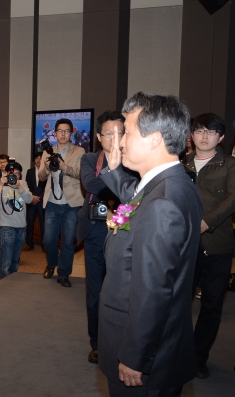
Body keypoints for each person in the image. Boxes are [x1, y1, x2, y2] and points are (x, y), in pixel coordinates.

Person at [99, 92, 202, 396]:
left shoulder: (163, 202)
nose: (120, 142)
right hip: (162, 344)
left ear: (155, 139)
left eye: (127, 133)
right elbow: (136, 199)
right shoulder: (172, 184)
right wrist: (115, 168)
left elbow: (154, 289)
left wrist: (135, 357)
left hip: (145, 359)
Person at [183, 113, 235, 379]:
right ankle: (177, 353)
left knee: (212, 306)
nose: (204, 136)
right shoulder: (182, 163)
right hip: (185, 246)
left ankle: (197, 357)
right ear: (192, 135)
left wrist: (206, 222)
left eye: (211, 132)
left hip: (217, 245)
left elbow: (232, 200)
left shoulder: (229, 165)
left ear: (221, 137)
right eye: (200, 131)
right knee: (179, 302)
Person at [75, 110, 127, 365]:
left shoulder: (134, 159)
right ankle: (96, 342)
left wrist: (113, 183)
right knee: (95, 290)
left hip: (126, 231)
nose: (114, 138)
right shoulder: (90, 158)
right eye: (109, 133)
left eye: (120, 132)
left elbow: (137, 189)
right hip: (96, 230)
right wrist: (118, 182)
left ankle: (122, 339)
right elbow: (91, 184)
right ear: (99, 136)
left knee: (122, 289)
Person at [39, 118, 85, 288]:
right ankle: (52, 264)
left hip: (71, 204)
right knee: (48, 240)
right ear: (55, 133)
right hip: (51, 202)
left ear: (71, 133)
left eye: (66, 131)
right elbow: (41, 177)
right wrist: (45, 168)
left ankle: (64, 273)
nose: (63, 134)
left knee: (67, 241)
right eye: (60, 131)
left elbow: (82, 174)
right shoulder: (47, 151)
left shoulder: (79, 151)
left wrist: (65, 167)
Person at [0, 162, 33, 279]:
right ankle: (3, 286)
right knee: (5, 262)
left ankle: (11, 284)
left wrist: (19, 187)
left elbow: (29, 200)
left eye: (17, 174)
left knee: (15, 260)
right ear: (5, 174)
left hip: (21, 227)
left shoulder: (23, 184)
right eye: (12, 174)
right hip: (6, 227)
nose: (14, 176)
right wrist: (1, 185)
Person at [23, 152, 46, 251]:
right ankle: (29, 244)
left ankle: (44, 244)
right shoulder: (30, 171)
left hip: (42, 201)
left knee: (43, 224)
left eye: (40, 158)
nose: (38, 160)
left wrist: (39, 197)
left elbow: (48, 187)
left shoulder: (46, 171)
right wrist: (32, 197)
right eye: (36, 158)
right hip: (31, 201)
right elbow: (26, 186)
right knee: (30, 223)